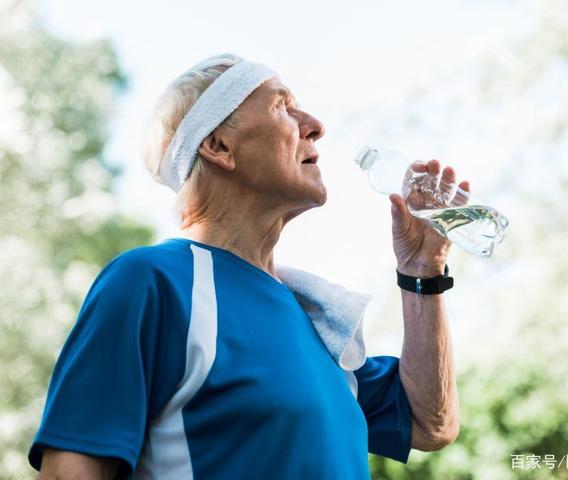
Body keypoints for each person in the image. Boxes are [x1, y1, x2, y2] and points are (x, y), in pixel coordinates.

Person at [29, 53, 464, 479]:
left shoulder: (319, 321)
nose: (314, 124)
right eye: (282, 106)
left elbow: (431, 423)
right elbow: (71, 472)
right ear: (219, 146)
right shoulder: (152, 282)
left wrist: (423, 269)